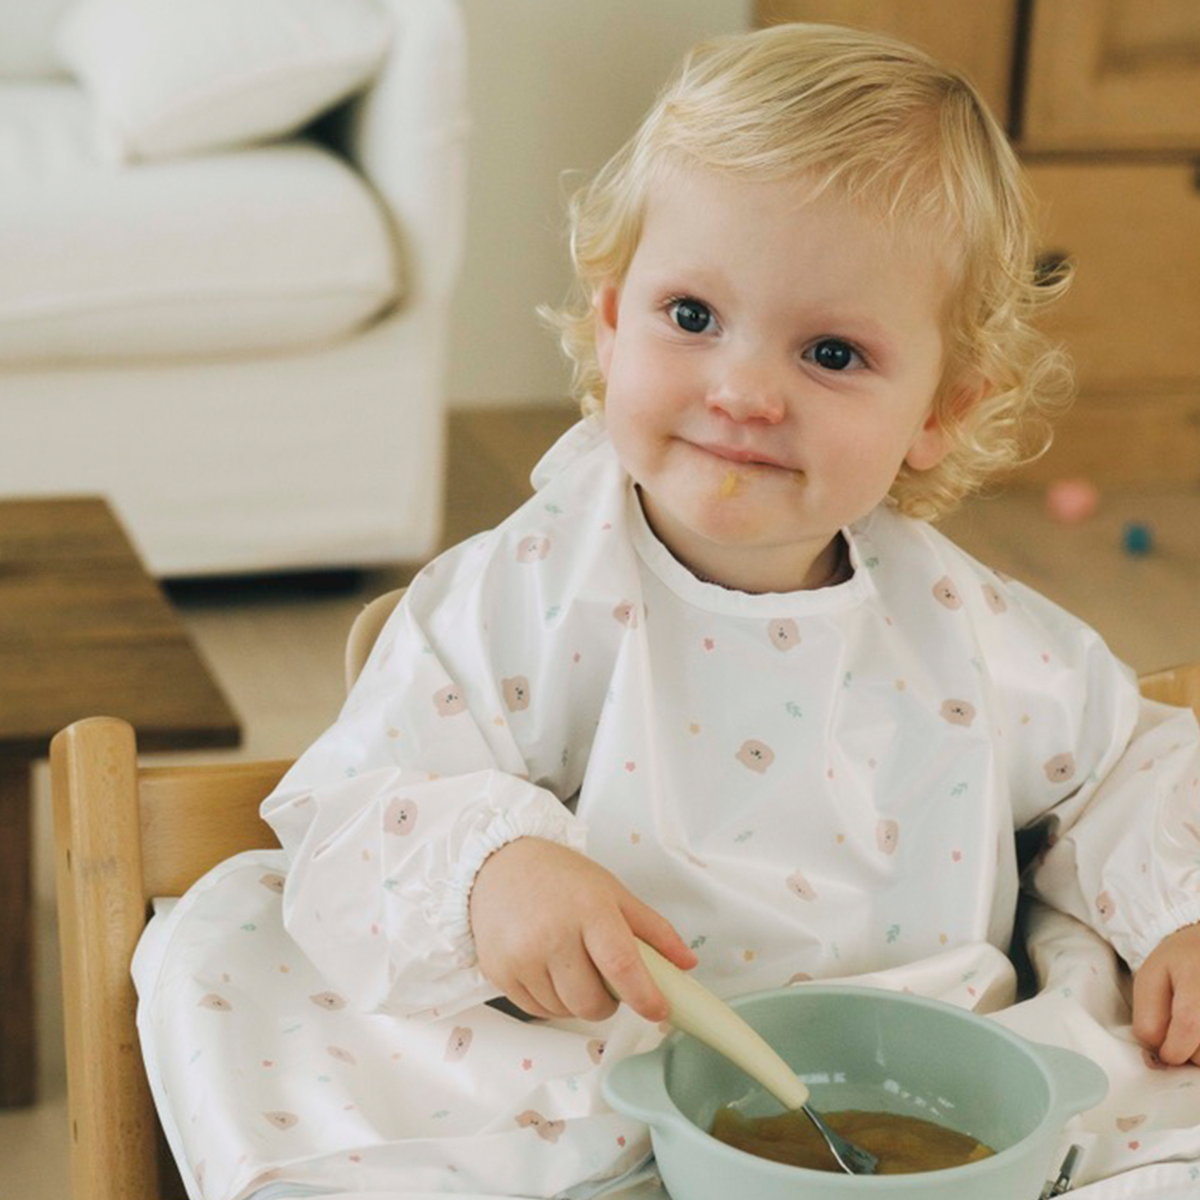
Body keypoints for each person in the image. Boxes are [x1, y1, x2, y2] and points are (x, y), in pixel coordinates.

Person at [134, 22, 1200, 1200]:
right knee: (248, 967)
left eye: (832, 352)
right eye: (692, 317)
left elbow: (1125, 762)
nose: (742, 391)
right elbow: (363, 803)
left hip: (911, 1061)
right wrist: (497, 874)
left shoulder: (960, 618)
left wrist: (1182, 918)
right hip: (599, 1070)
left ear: (941, 409)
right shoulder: (538, 584)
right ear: (609, 321)